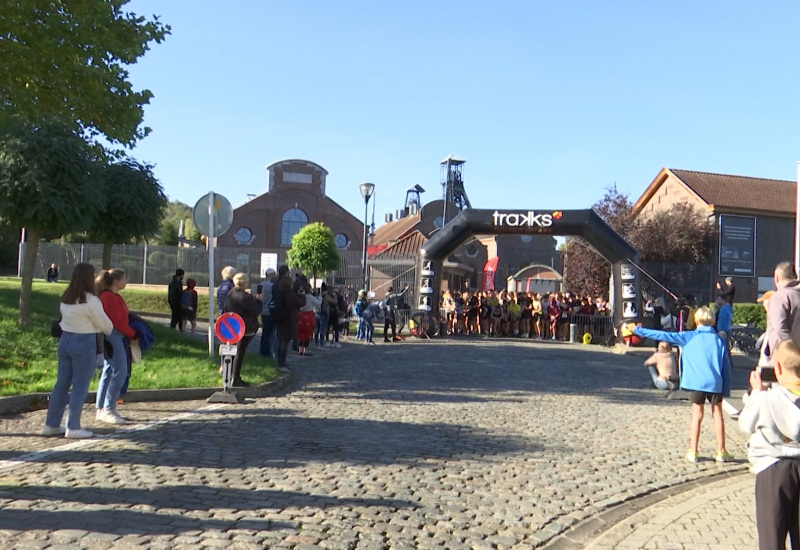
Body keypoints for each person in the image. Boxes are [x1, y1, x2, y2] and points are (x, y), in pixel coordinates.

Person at [631, 306, 733, 463]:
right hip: (715, 382)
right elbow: (726, 366)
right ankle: (721, 451)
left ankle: (693, 450)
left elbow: (663, 334)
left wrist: (640, 331)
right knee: (717, 414)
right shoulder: (719, 339)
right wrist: (726, 388)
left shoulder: (688, 336)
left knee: (696, 415)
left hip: (696, 382)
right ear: (712, 321)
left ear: (697, 321)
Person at [739, 340, 800, 550]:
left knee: (771, 538)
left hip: (772, 468)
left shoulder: (766, 398)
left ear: (778, 368)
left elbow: (746, 423)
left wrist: (756, 392)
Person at [42, 263, 113, 439]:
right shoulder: (91, 300)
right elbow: (107, 326)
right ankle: (73, 426)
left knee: (61, 384)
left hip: (65, 339)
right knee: (80, 386)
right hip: (84, 341)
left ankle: (51, 424)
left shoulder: (66, 297)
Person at [95, 269, 138, 425]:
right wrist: (133, 334)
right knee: (120, 371)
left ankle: (101, 408)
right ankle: (108, 409)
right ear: (116, 281)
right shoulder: (109, 297)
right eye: (124, 278)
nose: (126, 281)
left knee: (108, 371)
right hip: (113, 336)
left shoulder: (112, 296)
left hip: (115, 336)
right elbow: (117, 321)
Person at [224, 273, 262, 386]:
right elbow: (255, 311)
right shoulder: (245, 296)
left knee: (231, 351)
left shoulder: (231, 293)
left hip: (232, 326)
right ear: (244, 282)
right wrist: (259, 300)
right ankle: (236, 378)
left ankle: (228, 374)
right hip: (244, 328)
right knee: (239, 353)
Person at [766, 261, 800, 361]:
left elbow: (779, 327)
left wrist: (791, 349)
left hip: (784, 355)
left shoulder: (780, 297)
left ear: (776, 278)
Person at [274, 266, 305, 370]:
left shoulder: (280, 293)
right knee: (284, 343)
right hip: (288, 320)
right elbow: (301, 303)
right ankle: (281, 364)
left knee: (281, 341)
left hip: (280, 319)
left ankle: (280, 362)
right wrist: (302, 294)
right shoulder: (289, 295)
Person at [258, 268, 277, 357]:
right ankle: (269, 352)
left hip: (263, 311)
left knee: (264, 333)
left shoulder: (261, 284)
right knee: (271, 334)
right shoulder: (273, 286)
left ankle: (262, 350)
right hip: (271, 311)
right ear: (271, 275)